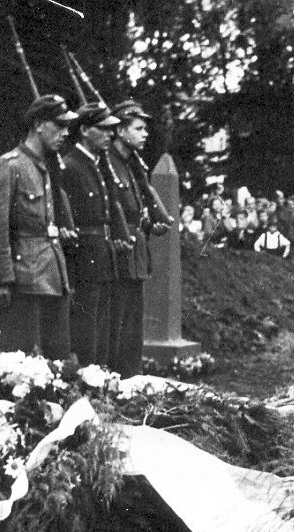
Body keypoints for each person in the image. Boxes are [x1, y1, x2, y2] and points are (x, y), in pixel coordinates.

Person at [0, 95, 79, 360]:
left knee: (57, 361)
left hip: (52, 276)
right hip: (23, 281)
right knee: (19, 364)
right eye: (59, 125)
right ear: (38, 125)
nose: (65, 133)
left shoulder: (45, 167)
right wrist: (2, 279)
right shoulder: (10, 167)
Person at [106, 100, 173, 378]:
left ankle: (130, 379)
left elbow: (134, 209)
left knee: (133, 327)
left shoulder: (133, 165)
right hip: (116, 253)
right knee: (116, 324)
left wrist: (148, 224)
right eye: (138, 128)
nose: (145, 134)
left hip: (136, 254)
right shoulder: (107, 163)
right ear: (120, 130)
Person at [61, 102, 124, 367]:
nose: (111, 134)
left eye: (112, 129)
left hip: (101, 255)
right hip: (83, 258)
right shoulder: (71, 166)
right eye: (104, 129)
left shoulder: (96, 165)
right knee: (86, 327)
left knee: (101, 327)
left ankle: (99, 377)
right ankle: (87, 378)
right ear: (85, 130)